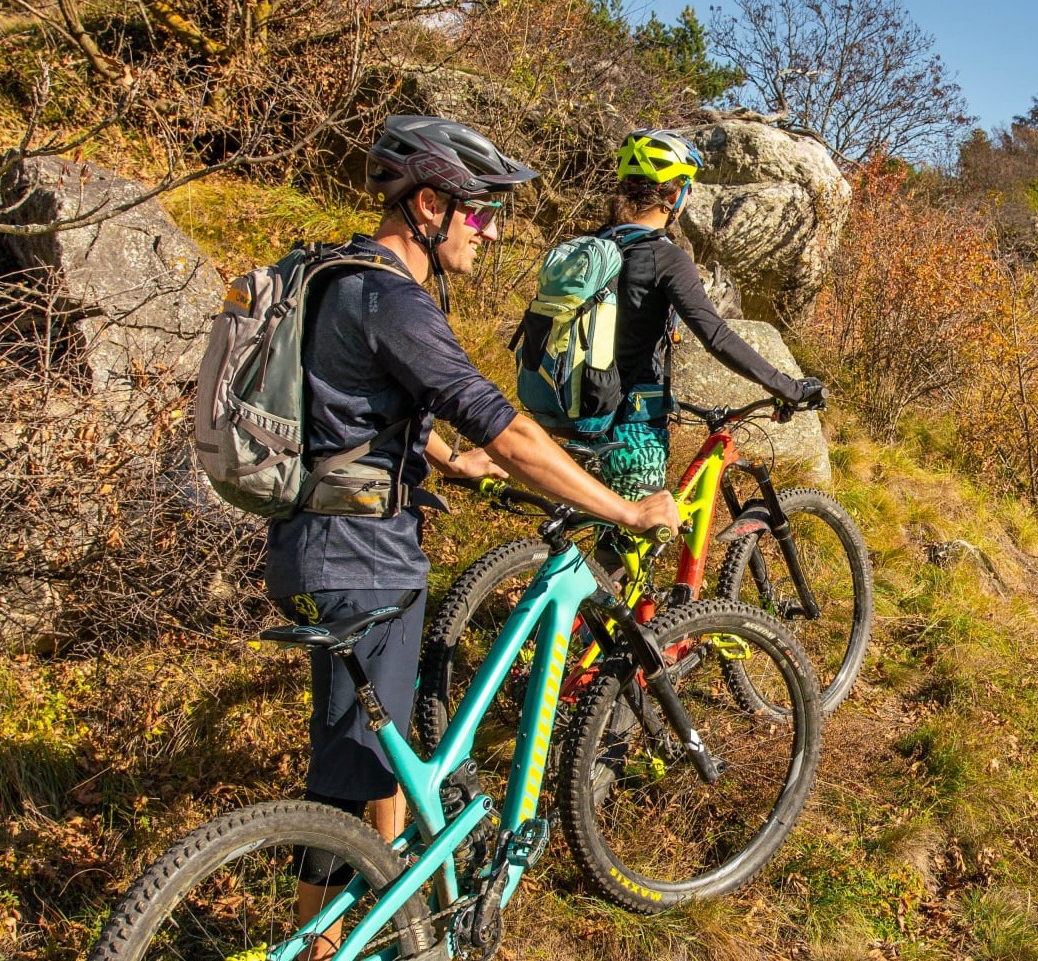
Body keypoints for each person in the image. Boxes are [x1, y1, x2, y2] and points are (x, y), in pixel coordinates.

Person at [271, 115, 679, 955]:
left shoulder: (333, 275)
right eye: (482, 211)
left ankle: (396, 925)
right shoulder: (395, 298)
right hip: (368, 557)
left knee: (363, 763)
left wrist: (445, 462)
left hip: (311, 541)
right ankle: (322, 946)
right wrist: (627, 510)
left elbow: (345, 403)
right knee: (352, 775)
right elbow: (511, 431)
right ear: (429, 203)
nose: (492, 232)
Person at [590, 129, 823, 501]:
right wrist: (788, 388)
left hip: (575, 417)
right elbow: (715, 335)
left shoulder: (596, 245)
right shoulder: (663, 256)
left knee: (595, 538)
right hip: (631, 427)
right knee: (629, 548)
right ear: (674, 193)